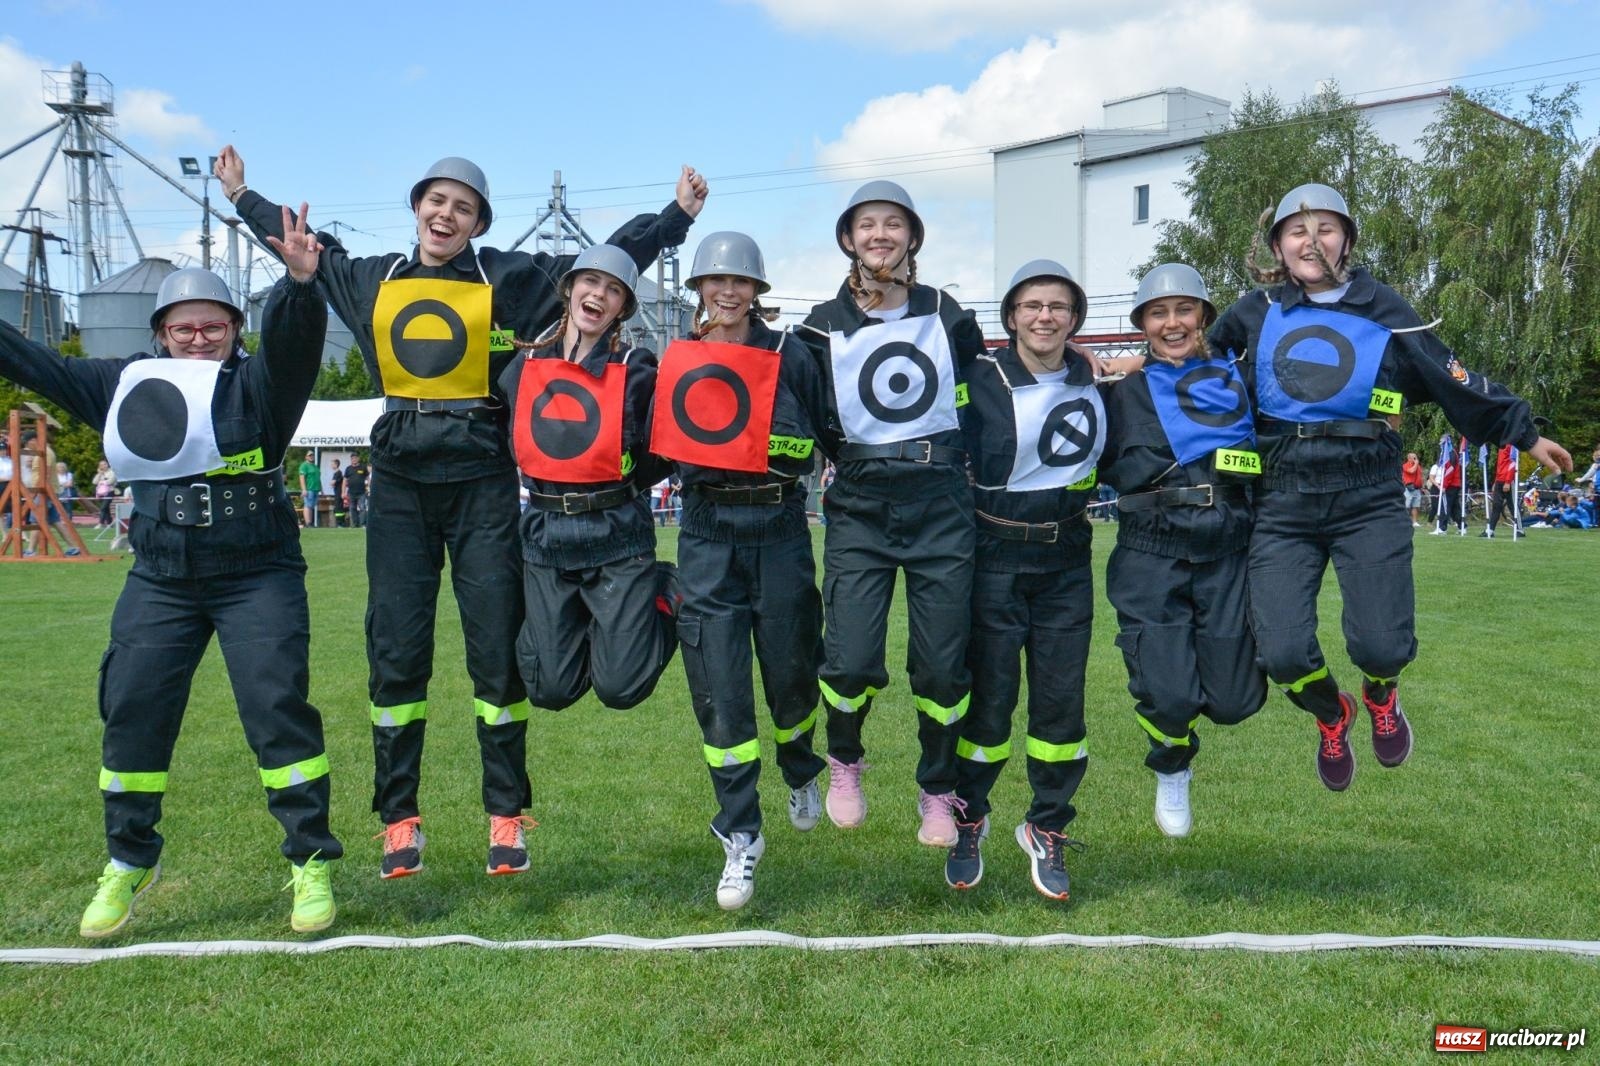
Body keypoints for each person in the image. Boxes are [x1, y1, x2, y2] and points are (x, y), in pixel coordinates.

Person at [217, 147, 705, 878]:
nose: (446, 214)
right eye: (435, 201)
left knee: (496, 655)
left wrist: (675, 220)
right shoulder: (373, 278)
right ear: (417, 207)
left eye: (462, 206)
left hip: (483, 484)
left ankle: (506, 818)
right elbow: (301, 247)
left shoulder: (509, 278)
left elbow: (604, 261)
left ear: (478, 222)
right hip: (402, 488)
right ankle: (399, 819)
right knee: (397, 655)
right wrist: (242, 196)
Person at [0, 212, 342, 936]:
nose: (198, 338)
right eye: (184, 328)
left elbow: (297, 341)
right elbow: (33, 363)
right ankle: (129, 860)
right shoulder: (118, 383)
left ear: (232, 331)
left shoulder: (260, 384)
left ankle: (310, 860)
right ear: (159, 332)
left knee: (277, 709)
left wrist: (302, 286)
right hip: (160, 575)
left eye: (213, 326)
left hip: (258, 572)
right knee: (131, 709)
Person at [1210, 183, 1571, 791]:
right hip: (1281, 499)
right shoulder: (1254, 312)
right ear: (1278, 245)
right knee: (1283, 654)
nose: (1311, 241)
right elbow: (1194, 365)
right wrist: (1128, 367)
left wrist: (1522, 432)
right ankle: (1333, 712)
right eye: (1297, 231)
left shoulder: (1386, 309)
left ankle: (1380, 693)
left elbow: (1451, 373)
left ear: (1346, 240)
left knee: (1381, 646)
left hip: (1368, 496)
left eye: (1325, 228)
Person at [795, 180, 985, 847]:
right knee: (847, 660)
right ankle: (844, 760)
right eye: (867, 225)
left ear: (912, 237)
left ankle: (937, 787)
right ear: (849, 239)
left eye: (894, 224)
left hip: (941, 502)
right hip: (861, 506)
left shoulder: (946, 312)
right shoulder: (818, 326)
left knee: (941, 666)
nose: (881, 235)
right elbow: (807, 407)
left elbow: (978, 393)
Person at [654, 231, 830, 909]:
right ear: (698, 288)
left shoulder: (793, 354)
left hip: (779, 527)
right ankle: (740, 835)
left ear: (758, 290)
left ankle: (799, 766)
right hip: (704, 533)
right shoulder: (680, 358)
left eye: (740, 281)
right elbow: (651, 445)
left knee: (790, 676)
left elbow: (825, 433)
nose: (727, 292)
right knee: (720, 692)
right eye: (714, 281)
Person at [943, 259, 1105, 901]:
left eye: (1059, 307)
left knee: (1061, 704)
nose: (1046, 316)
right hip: (994, 560)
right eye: (1032, 305)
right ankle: (969, 817)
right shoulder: (978, 378)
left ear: (1075, 320)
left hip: (1067, 561)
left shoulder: (1094, 378)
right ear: (1011, 317)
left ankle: (1047, 826)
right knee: (989, 702)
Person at [1100, 264, 1266, 842]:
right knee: (1170, 694)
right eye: (1157, 313)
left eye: (1184, 310)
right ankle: (1172, 763)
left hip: (1228, 545)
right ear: (1142, 324)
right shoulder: (1120, 393)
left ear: (1204, 318)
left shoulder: (1241, 382)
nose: (1172, 323)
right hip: (1151, 550)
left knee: (1236, 701)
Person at [499, 244, 678, 719]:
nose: (599, 294)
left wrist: (614, 483)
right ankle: (588, 620)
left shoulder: (637, 368)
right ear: (570, 289)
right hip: (545, 538)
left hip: (616, 535)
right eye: (591, 282)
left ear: (622, 308)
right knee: (549, 689)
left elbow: (656, 453)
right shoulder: (523, 367)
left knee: (622, 686)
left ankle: (663, 593)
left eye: (614, 290)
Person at [1481, 444, 1519, 538]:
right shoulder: (1501, 446)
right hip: (1500, 480)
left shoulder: (1511, 445)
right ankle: (1490, 530)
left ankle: (1520, 529)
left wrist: (1508, 481)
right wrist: (1496, 481)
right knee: (1496, 506)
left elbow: (1512, 463)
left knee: (1512, 506)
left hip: (1508, 480)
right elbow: (1500, 465)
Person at [1431, 440, 1463, 535]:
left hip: (1451, 484)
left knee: (1444, 506)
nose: (1440, 445)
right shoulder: (1451, 453)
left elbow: (1449, 471)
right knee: (1454, 507)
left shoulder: (1450, 454)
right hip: (1454, 484)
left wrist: (1444, 485)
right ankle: (1462, 526)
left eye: (1442, 443)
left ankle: (1442, 528)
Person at [343, 454, 368, 528]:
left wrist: (369, 487)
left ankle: (362, 524)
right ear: (351, 459)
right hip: (351, 493)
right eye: (352, 458)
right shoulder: (348, 468)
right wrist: (343, 492)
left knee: (362, 508)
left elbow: (368, 478)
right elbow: (344, 481)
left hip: (362, 492)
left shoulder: (363, 467)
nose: (354, 459)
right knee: (352, 508)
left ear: (358, 459)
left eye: (355, 458)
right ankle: (355, 524)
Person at [93, 458, 118, 527]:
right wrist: (99, 475)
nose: (103, 466)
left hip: (110, 491)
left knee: (103, 507)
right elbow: (94, 482)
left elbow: (110, 482)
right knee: (106, 508)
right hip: (101, 493)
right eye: (101, 465)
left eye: (105, 464)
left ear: (107, 465)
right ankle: (110, 523)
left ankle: (100, 523)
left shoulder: (112, 472)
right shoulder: (100, 473)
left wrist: (101, 481)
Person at [1401, 452, 1424, 527]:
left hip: (1417, 488)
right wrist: (1416, 463)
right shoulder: (1405, 465)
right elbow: (1411, 471)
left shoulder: (1418, 466)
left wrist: (1422, 486)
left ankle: (1414, 522)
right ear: (1409, 458)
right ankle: (1404, 520)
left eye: (1416, 458)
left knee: (1415, 506)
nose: (1415, 459)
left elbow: (1420, 476)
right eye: (1414, 458)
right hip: (1409, 488)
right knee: (1407, 505)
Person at [297, 452, 320, 527]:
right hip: (309, 489)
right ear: (306, 457)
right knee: (307, 505)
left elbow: (318, 478)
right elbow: (302, 478)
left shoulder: (314, 466)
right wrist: (304, 489)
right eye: (309, 455)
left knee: (311, 506)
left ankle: (310, 523)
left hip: (316, 489)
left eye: (312, 455)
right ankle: (308, 523)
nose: (311, 457)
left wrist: (321, 489)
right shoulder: (304, 466)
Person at [329, 456, 345, 527]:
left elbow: (332, 483)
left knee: (338, 508)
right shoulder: (337, 473)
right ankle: (341, 522)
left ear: (336, 464)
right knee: (338, 507)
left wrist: (332, 482)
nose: (331, 465)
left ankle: (340, 523)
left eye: (332, 464)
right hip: (337, 493)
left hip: (339, 493)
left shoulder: (338, 473)